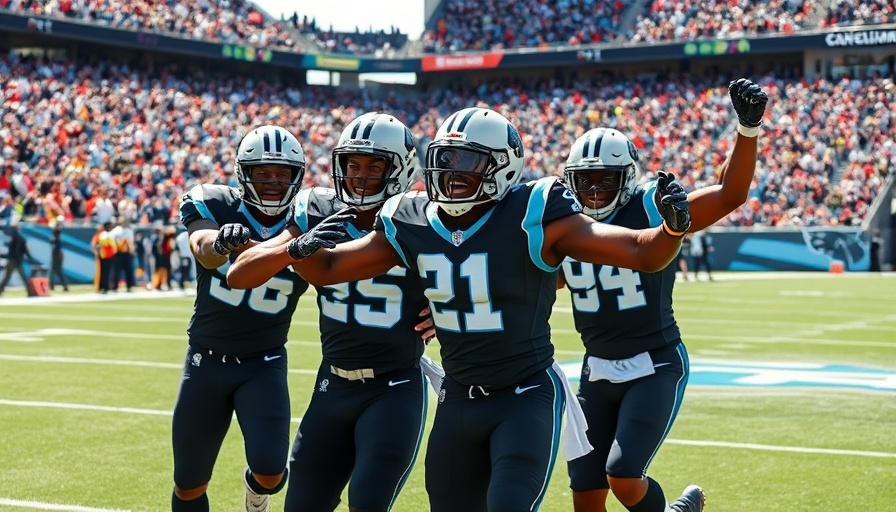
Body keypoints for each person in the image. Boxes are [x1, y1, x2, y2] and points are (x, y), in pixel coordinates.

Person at [228, 107, 691, 511]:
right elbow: (327, 268)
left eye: (467, 161)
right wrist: (296, 249)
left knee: (507, 503)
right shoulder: (411, 218)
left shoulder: (533, 210)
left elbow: (642, 252)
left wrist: (669, 231)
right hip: (458, 397)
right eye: (444, 159)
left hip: (525, 394)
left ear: (502, 166)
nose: (452, 172)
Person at [558, 78, 768, 512]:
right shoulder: (563, 223)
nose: (594, 191)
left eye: (604, 180)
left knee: (623, 475)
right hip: (594, 369)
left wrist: (746, 130)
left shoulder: (652, 207)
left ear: (627, 178)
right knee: (585, 493)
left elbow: (731, 194)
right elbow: (527, 279)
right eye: (586, 182)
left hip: (653, 363)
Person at [227, 112, 440, 512]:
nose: (359, 176)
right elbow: (240, 275)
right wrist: (294, 248)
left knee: (367, 501)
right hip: (333, 384)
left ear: (401, 169)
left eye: (375, 167)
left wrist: (443, 307)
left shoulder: (419, 216)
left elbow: (473, 276)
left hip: (393, 386)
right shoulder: (319, 209)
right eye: (352, 165)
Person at [171, 125, 308, 512]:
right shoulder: (214, 204)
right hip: (205, 362)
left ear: (297, 176)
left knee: (271, 473)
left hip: (263, 363)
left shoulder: (308, 216)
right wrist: (221, 243)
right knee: (189, 484)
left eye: (282, 173)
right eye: (263, 172)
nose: (272, 182)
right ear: (243, 172)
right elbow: (203, 248)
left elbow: (352, 271)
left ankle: (254, 497)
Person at [0, 219, 36, 296]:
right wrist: (30, 257)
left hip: (13, 260)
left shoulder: (12, 237)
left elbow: (11, 250)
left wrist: (7, 256)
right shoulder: (21, 238)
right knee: (22, 277)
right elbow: (26, 249)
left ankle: (0, 290)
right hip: (18, 260)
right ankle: (30, 292)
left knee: (7, 277)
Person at [111, 216, 136, 291]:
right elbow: (113, 241)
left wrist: (132, 251)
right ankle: (115, 286)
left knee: (128, 270)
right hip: (118, 252)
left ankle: (129, 286)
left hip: (127, 252)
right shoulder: (115, 231)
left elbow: (131, 242)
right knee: (116, 270)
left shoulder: (129, 231)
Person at [92, 220, 117, 294]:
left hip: (102, 255)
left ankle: (101, 286)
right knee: (106, 272)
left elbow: (97, 245)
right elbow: (113, 246)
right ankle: (105, 287)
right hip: (108, 255)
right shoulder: (109, 235)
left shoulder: (101, 234)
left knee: (102, 272)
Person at [49, 217, 69, 292]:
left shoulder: (56, 236)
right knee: (57, 271)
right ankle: (62, 285)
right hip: (56, 254)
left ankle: (52, 285)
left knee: (55, 271)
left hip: (57, 254)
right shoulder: (55, 236)